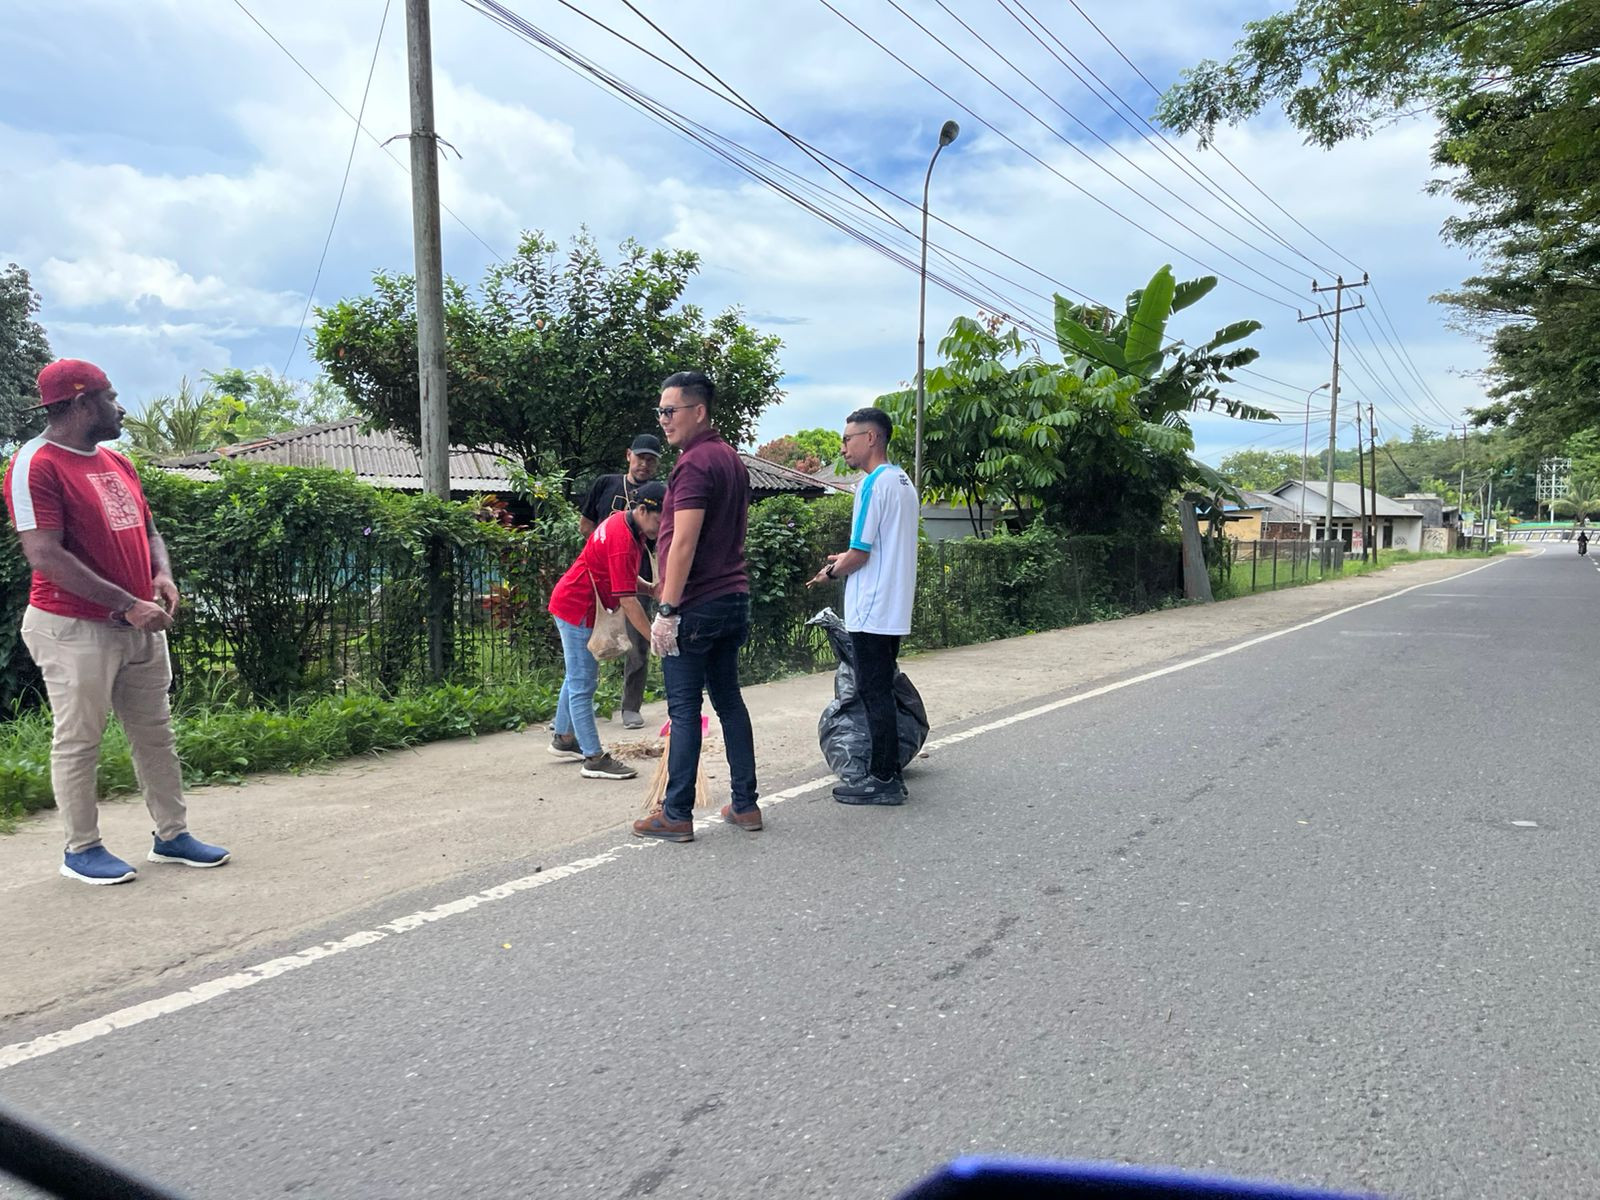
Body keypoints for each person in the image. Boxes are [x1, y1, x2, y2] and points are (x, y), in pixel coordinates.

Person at [3, 359, 230, 885]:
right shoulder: (35, 464)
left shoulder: (116, 461)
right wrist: (127, 603)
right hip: (72, 627)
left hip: (138, 624)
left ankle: (172, 836)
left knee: (155, 733)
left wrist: (161, 575)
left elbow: (149, 530)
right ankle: (81, 849)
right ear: (82, 403)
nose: (120, 407)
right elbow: (44, 555)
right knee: (80, 739)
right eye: (110, 397)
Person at [632, 371, 760, 842]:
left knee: (684, 709)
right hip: (732, 597)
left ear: (699, 411)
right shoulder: (730, 459)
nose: (664, 420)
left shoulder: (693, 465)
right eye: (661, 412)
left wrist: (666, 611)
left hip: (696, 605)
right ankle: (745, 805)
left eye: (671, 411)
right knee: (729, 701)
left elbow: (684, 542)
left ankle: (676, 813)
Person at [807, 405, 920, 805]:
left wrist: (831, 572)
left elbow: (860, 554)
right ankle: (889, 772)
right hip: (893, 604)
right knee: (881, 688)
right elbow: (880, 546)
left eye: (847, 439)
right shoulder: (904, 482)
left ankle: (883, 779)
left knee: (874, 692)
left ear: (871, 438)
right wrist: (846, 558)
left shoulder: (872, 484)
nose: (843, 448)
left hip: (871, 607)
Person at [546, 481, 668, 779]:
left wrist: (649, 588)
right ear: (643, 510)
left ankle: (564, 738)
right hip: (577, 608)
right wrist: (655, 637)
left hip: (575, 602)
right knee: (583, 684)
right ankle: (594, 758)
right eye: (660, 520)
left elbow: (621, 574)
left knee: (575, 677)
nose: (662, 527)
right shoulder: (623, 538)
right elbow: (628, 600)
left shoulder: (626, 525)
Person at [578, 435, 663, 729]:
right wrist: (607, 553)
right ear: (628, 455)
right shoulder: (606, 484)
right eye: (640, 457)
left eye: (651, 460)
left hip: (638, 579)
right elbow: (585, 525)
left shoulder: (659, 495)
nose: (644, 464)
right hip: (600, 581)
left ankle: (630, 707)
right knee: (586, 646)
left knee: (638, 645)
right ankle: (576, 709)